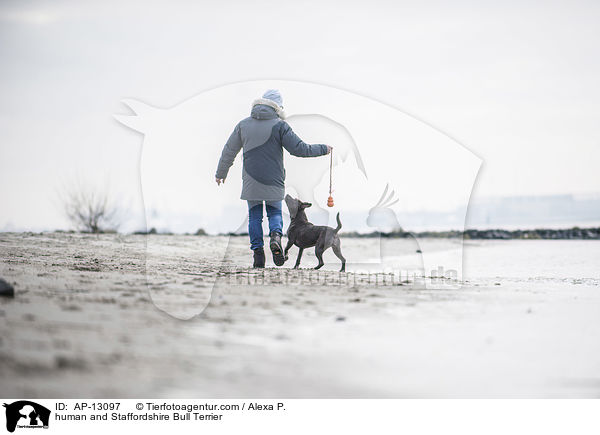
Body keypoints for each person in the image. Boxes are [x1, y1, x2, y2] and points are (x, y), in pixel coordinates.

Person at [215, 89, 332, 268]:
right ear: (278, 107)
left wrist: (221, 173)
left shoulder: (243, 125)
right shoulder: (280, 125)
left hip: (251, 179)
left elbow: (229, 150)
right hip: (274, 180)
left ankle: (258, 256)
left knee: (254, 217)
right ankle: (275, 238)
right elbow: (300, 149)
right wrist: (323, 149)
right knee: (275, 214)